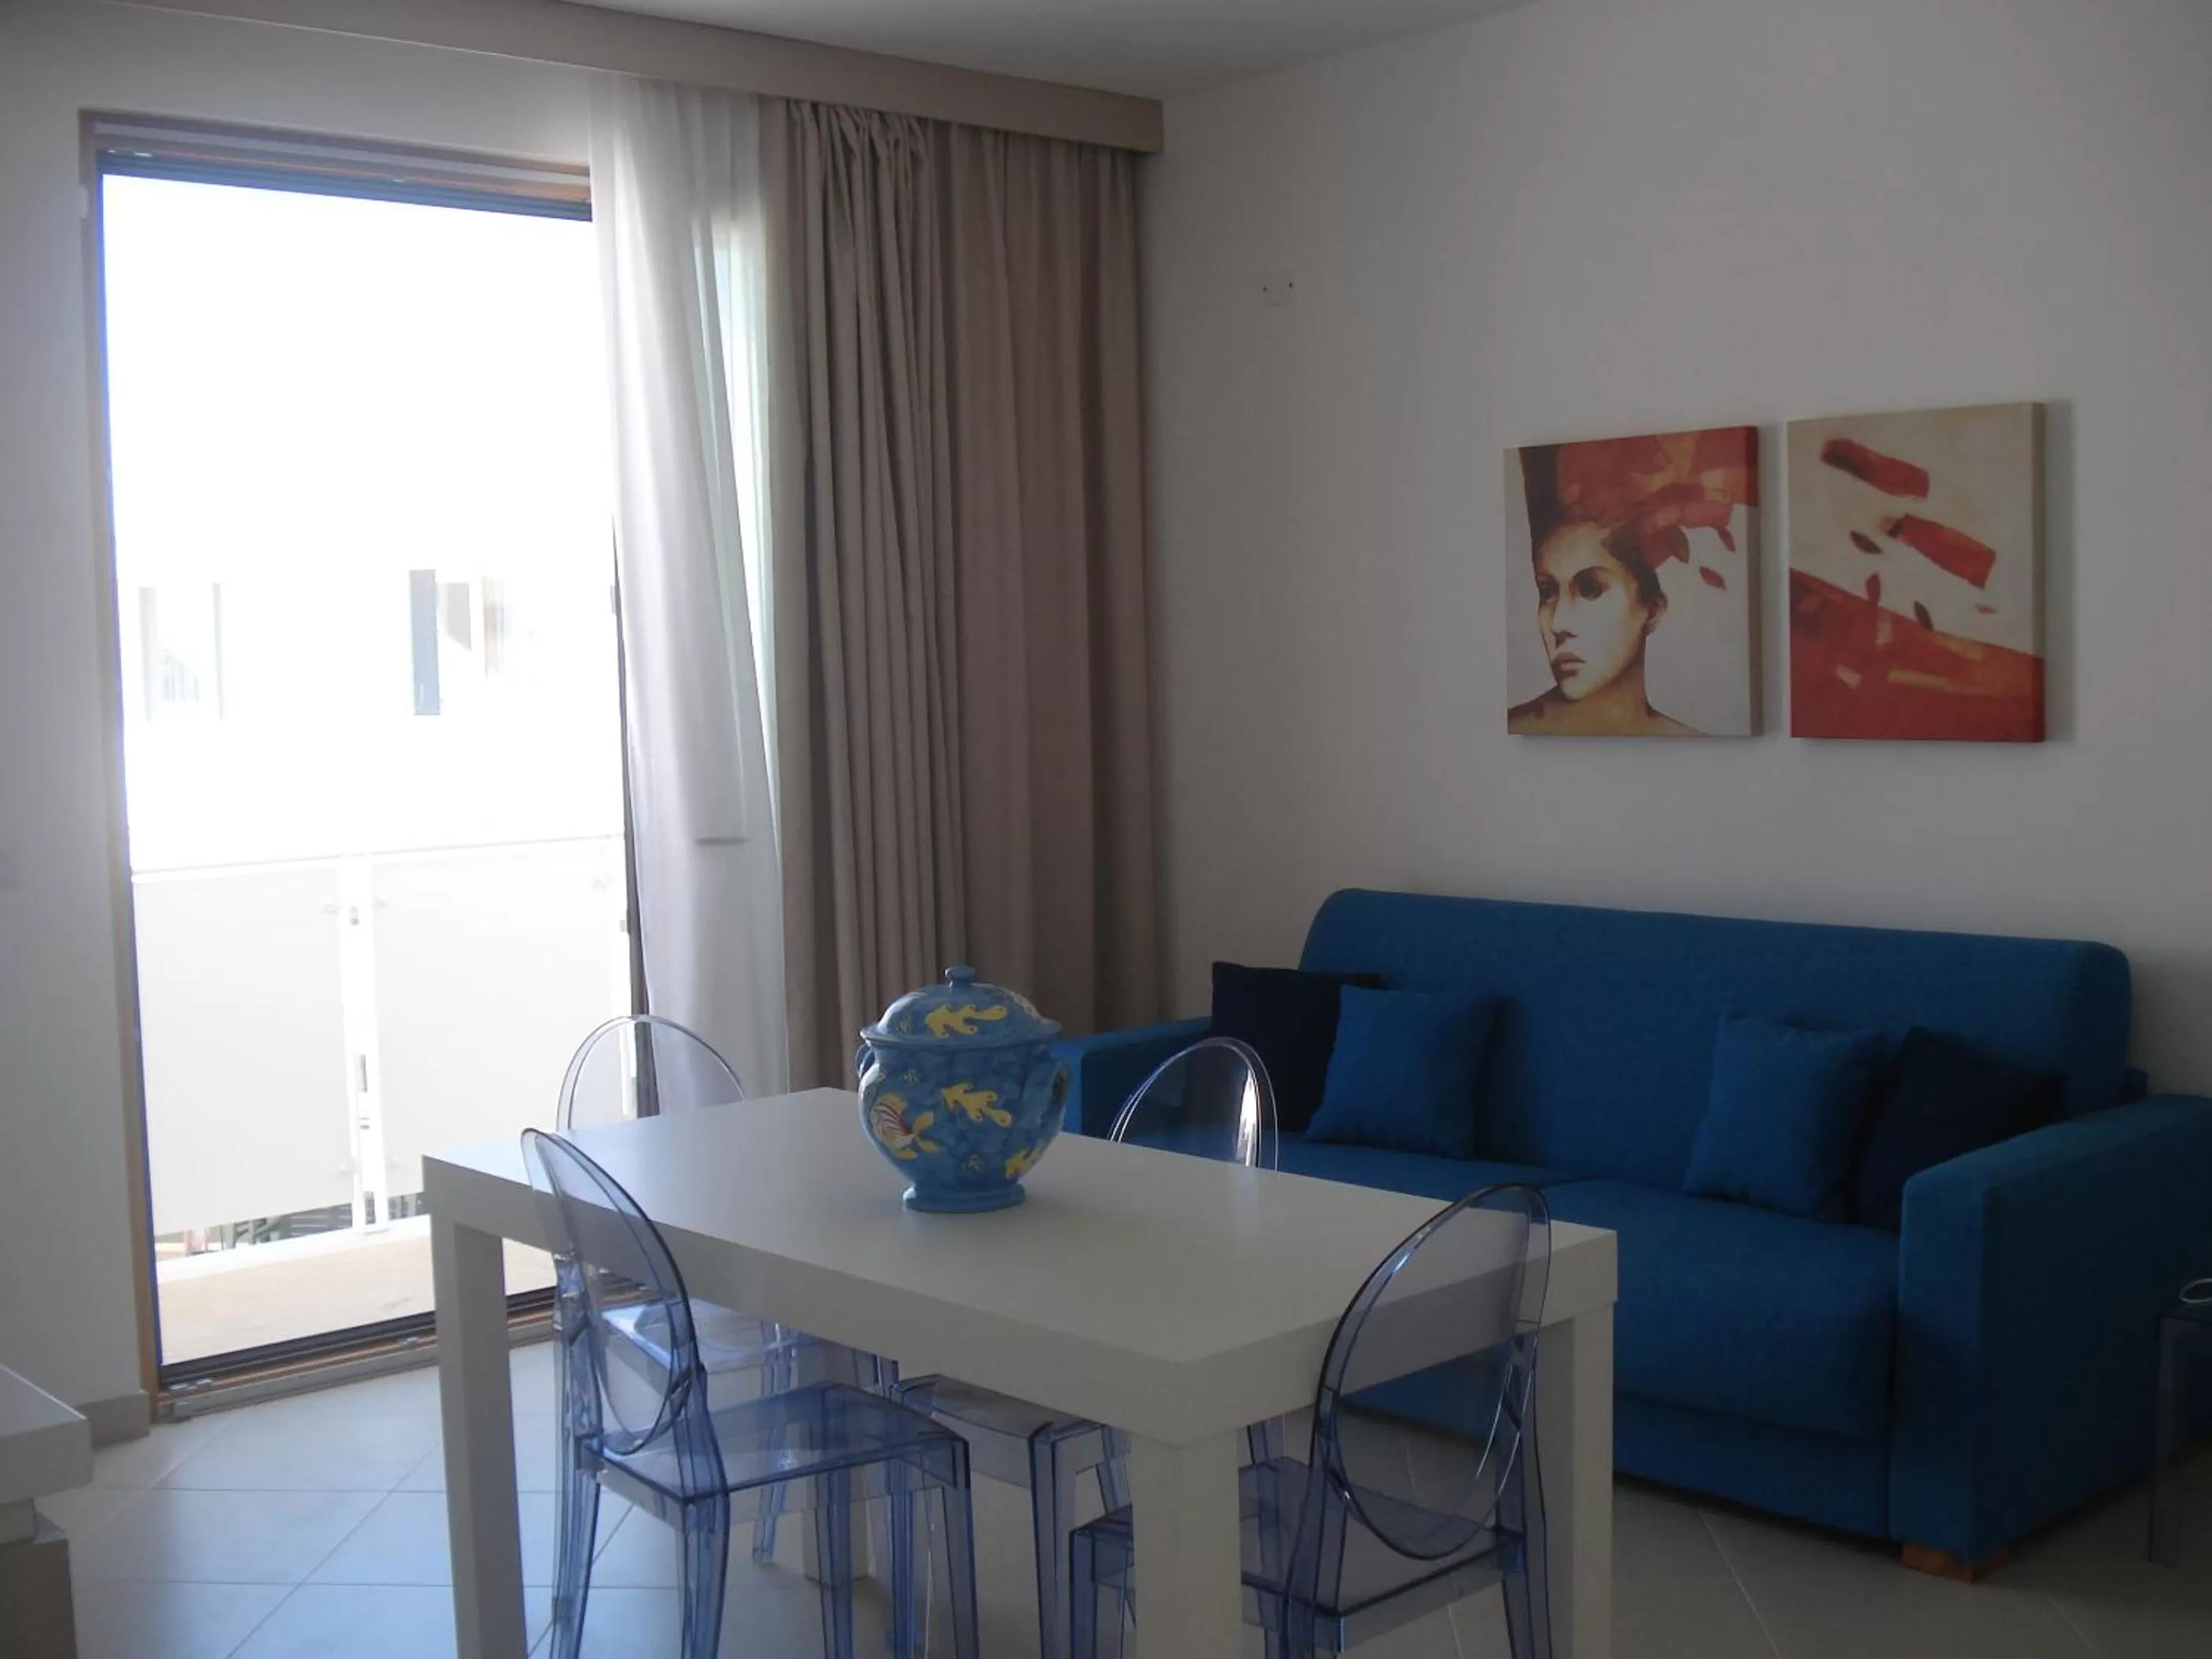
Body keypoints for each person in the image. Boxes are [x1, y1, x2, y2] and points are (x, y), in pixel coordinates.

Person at [1508, 514, 1698, 737]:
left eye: (1590, 589)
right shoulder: (1514, 731)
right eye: (1547, 592)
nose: (1558, 624)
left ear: (1652, 611)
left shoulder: (1688, 744)